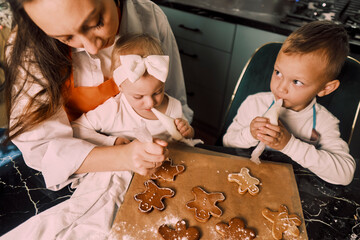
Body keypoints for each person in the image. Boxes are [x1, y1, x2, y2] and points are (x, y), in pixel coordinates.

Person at [4, 0, 193, 191]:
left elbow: (175, 101)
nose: (92, 48)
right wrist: (122, 155)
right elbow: (42, 151)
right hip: (79, 169)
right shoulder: (28, 49)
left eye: (96, 23)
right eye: (66, 38)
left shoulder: (150, 17)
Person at [223, 21, 356, 186]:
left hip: (291, 188)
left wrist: (289, 144)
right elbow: (227, 142)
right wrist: (250, 134)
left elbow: (345, 174)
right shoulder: (255, 103)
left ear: (325, 88)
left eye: (297, 82)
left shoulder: (324, 122)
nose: (280, 88)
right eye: (278, 72)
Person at [71, 33, 195, 146]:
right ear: (120, 87)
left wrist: (187, 131)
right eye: (138, 96)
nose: (150, 103)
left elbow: (186, 138)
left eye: (157, 92)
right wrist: (112, 141)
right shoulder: (115, 110)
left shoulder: (174, 107)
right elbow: (77, 127)